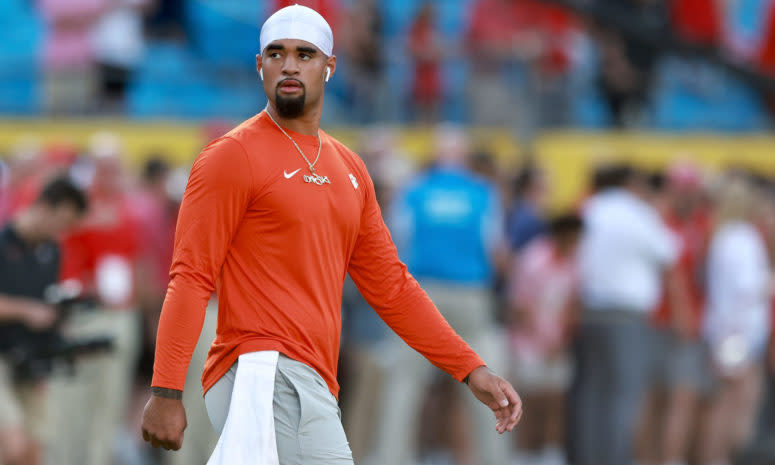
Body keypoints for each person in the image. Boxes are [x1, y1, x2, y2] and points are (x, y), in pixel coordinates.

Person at [140, 5, 522, 465]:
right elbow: (191, 277)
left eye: (305, 54)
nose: (289, 64)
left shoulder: (350, 169)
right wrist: (166, 390)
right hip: (262, 368)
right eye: (276, 54)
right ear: (260, 65)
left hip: (311, 375)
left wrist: (469, 367)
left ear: (330, 66)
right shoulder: (231, 156)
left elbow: (392, 287)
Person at [368, 125, 511, 465]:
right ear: (463, 157)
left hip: (421, 295)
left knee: (403, 386)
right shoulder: (483, 193)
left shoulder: (413, 191)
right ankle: (494, 458)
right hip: (471, 296)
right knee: (488, 384)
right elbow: (496, 250)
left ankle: (391, 457)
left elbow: (395, 244)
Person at [568, 164, 679, 465]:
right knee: (623, 393)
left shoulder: (587, 208)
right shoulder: (636, 212)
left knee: (588, 393)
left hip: (587, 311)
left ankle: (584, 458)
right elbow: (669, 252)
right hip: (626, 316)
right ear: (631, 183)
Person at [0, 177, 88, 465]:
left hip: (31, 360)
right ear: (44, 206)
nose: (62, 230)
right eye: (61, 220)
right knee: (12, 445)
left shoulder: (52, 251)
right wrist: (27, 310)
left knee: (34, 451)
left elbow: (47, 302)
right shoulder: (4, 243)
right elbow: (32, 308)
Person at [697, 176, 772, 465]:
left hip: (729, 330)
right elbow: (747, 287)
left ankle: (717, 457)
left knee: (729, 403)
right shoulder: (742, 237)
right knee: (734, 405)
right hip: (737, 333)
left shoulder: (725, 236)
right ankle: (718, 458)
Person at [508, 213, 583, 465]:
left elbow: (574, 305)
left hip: (557, 346)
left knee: (556, 402)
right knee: (527, 403)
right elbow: (519, 305)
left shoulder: (574, 263)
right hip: (529, 344)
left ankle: (551, 456)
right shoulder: (534, 259)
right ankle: (524, 455)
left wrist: (561, 340)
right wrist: (541, 339)